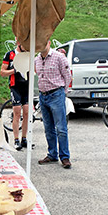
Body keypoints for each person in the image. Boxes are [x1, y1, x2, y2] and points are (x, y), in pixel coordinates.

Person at [34, 41, 72, 169]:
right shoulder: (36, 60)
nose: (41, 45)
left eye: (44, 42)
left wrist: (63, 92)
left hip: (56, 94)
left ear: (49, 42)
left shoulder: (59, 57)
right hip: (43, 95)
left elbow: (67, 75)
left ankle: (65, 157)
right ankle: (52, 154)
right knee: (48, 128)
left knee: (61, 128)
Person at [0, 42, 29, 151]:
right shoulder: (10, 54)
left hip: (26, 86)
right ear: (19, 43)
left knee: (26, 112)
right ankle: (16, 139)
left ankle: (24, 138)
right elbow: (2, 72)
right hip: (15, 86)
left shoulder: (28, 54)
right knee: (17, 112)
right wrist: (15, 70)